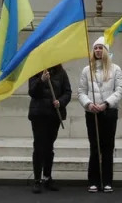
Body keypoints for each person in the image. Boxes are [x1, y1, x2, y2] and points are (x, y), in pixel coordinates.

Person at [78, 37, 122, 193]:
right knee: (94, 146)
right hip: (92, 113)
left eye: (100, 48)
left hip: (109, 112)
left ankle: (107, 181)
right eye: (95, 48)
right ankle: (93, 180)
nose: (98, 50)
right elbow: (81, 92)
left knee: (107, 147)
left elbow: (119, 90)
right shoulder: (87, 70)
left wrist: (106, 103)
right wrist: (89, 104)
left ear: (106, 50)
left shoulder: (115, 69)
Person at [29, 64, 72, 193]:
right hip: (39, 114)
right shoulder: (35, 71)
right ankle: (37, 179)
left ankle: (47, 177)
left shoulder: (61, 72)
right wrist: (41, 80)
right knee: (39, 147)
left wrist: (61, 101)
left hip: (54, 115)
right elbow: (32, 92)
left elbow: (67, 92)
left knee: (49, 147)